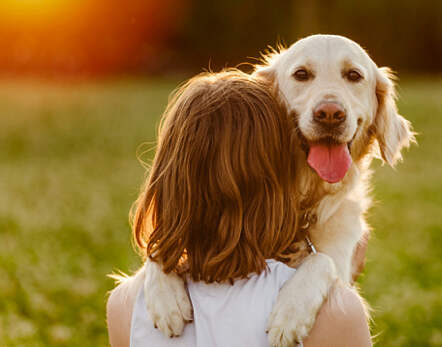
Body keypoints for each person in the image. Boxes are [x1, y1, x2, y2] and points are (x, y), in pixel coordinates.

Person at [106, 70, 372, 347]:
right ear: (279, 181)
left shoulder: (124, 307)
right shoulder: (336, 313)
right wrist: (338, 284)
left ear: (166, 180)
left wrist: (160, 257)